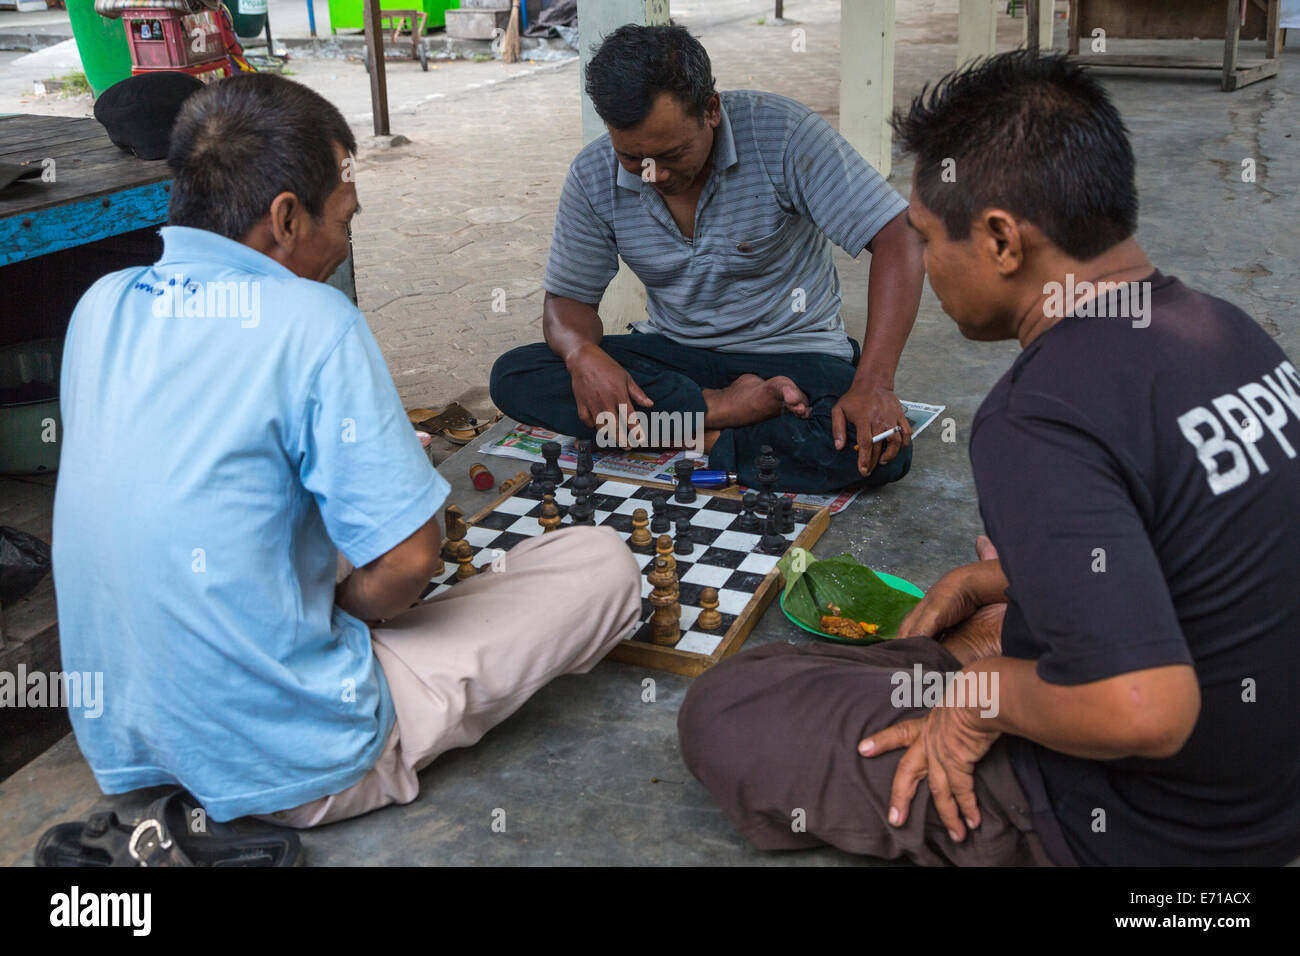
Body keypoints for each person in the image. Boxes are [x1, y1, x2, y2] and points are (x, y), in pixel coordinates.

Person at [677, 50, 1300, 866]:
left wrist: (982, 698)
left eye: (930, 241)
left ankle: (980, 658)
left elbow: (1146, 710)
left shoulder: (1039, 415)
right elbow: (1216, 546)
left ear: (1003, 239)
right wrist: (1000, 581)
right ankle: (998, 631)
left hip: (1141, 828)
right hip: (1270, 794)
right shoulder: (1227, 332)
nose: (926, 268)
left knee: (734, 704)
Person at [52, 74, 640, 828]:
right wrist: (346, 600)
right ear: (286, 218)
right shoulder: (314, 319)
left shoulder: (100, 306)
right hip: (294, 763)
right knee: (599, 564)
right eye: (345, 219)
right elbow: (408, 563)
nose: (345, 245)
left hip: (125, 741)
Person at [489, 24, 925, 494]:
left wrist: (875, 384)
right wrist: (581, 353)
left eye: (672, 154)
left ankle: (689, 432)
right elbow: (566, 304)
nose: (654, 173)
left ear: (711, 109)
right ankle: (721, 415)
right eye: (633, 159)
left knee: (879, 447)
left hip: (793, 357)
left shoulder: (784, 135)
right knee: (516, 376)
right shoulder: (592, 174)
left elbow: (899, 239)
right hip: (675, 360)